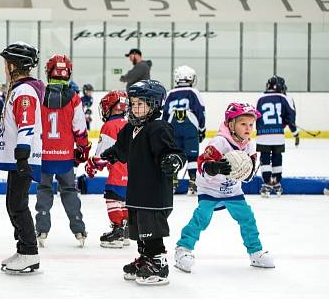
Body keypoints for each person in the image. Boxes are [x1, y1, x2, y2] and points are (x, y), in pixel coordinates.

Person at [101, 80, 185, 286]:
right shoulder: (130, 129)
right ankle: (146, 257)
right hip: (137, 191)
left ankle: (159, 262)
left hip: (155, 193)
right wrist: (111, 154)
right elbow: (122, 149)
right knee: (139, 227)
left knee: (152, 228)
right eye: (134, 103)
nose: (136, 108)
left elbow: (173, 151)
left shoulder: (159, 128)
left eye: (142, 103)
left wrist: (173, 160)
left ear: (155, 105)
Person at [174, 103, 275, 273]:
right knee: (202, 218)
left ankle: (256, 252)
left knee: (247, 218)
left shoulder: (249, 145)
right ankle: (182, 249)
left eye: (251, 124)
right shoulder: (220, 142)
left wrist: (247, 172)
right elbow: (202, 164)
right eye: (243, 124)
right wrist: (215, 167)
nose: (248, 128)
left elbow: (249, 174)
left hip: (233, 190)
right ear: (230, 124)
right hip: (210, 189)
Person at [0, 42, 44, 274]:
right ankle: (23, 249)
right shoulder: (18, 89)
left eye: (6, 63)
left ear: (14, 65)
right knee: (13, 203)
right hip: (17, 157)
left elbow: (26, 125)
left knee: (18, 204)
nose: (4, 68)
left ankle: (29, 252)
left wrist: (23, 156)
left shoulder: (24, 91)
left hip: (22, 158)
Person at [34, 54, 89, 248]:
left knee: (44, 190)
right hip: (65, 155)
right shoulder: (74, 98)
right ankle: (79, 228)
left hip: (44, 155)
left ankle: (41, 228)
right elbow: (79, 127)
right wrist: (83, 147)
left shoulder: (40, 95)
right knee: (69, 191)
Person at [85, 90, 130, 248]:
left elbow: (103, 154)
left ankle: (117, 232)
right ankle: (125, 231)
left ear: (114, 107)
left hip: (118, 173)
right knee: (125, 201)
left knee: (113, 198)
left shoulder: (110, 126)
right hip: (133, 175)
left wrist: (92, 165)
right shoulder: (129, 124)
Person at [163, 65, 205, 194]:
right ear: (190, 78)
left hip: (173, 126)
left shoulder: (170, 93)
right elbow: (200, 110)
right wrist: (202, 129)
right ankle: (193, 182)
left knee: (174, 153)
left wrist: (165, 131)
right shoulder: (193, 92)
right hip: (190, 126)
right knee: (192, 156)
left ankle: (172, 182)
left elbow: (164, 113)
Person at [256, 75, 298, 197]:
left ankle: (267, 181)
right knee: (277, 157)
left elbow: (256, 116)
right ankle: (276, 181)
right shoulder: (284, 98)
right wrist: (295, 133)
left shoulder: (260, 98)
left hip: (263, 135)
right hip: (277, 135)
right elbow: (290, 118)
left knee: (264, 158)